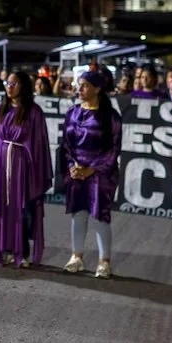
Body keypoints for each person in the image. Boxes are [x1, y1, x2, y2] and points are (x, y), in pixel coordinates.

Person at [0, 71, 52, 268]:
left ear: (23, 86)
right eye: (8, 83)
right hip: (1, 165)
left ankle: (20, 251)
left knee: (21, 210)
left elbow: (38, 144)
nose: (9, 86)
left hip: (22, 166)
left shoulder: (33, 112)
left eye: (14, 83)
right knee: (2, 208)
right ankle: (2, 249)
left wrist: (31, 169)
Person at [62, 70, 122, 279]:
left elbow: (113, 150)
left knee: (100, 216)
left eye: (85, 85)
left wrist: (92, 169)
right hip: (77, 170)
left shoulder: (110, 117)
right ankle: (76, 256)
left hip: (100, 173)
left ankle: (104, 261)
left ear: (97, 89)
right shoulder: (72, 112)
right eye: (79, 85)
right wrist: (72, 165)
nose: (80, 89)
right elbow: (66, 144)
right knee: (78, 214)